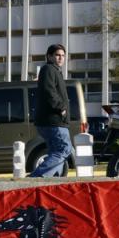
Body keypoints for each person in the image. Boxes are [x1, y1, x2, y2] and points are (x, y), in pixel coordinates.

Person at [30, 44, 72, 178]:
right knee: (64, 149)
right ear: (49, 56)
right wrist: (61, 107)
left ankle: (53, 181)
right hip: (53, 120)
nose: (61, 58)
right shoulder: (48, 69)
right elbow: (49, 91)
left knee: (56, 151)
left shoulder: (55, 71)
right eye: (57, 55)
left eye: (63, 55)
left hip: (55, 121)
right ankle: (35, 178)